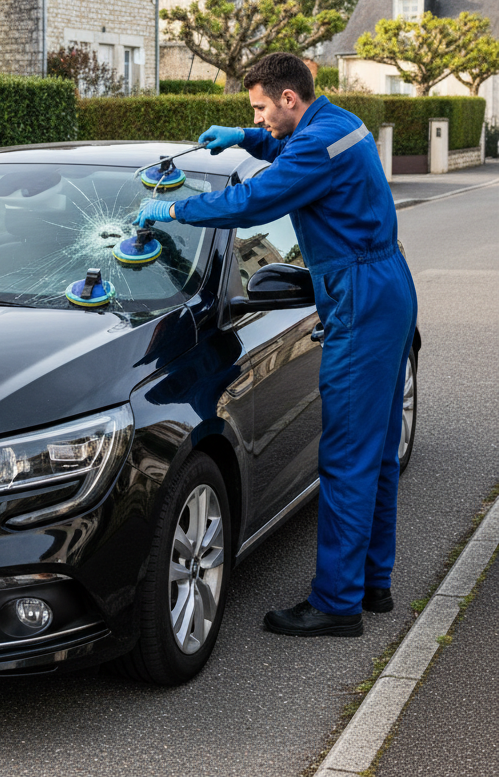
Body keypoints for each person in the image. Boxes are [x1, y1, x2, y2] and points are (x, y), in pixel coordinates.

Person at [136, 52, 417, 637]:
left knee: (344, 456)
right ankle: (373, 583)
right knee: (378, 446)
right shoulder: (334, 123)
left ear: (289, 99)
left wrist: (176, 209)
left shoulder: (313, 146)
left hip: (360, 294)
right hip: (384, 285)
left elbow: (255, 202)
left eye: (261, 109)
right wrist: (243, 137)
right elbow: (292, 150)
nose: (259, 118)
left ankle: (337, 605)